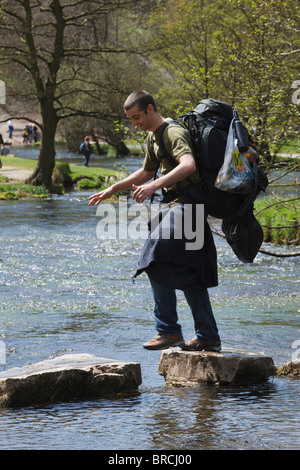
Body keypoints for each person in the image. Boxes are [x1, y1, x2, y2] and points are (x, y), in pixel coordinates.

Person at [88, 90, 221, 352]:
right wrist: (114, 189)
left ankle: (168, 331)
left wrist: (153, 187)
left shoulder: (172, 132)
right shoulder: (153, 136)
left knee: (153, 257)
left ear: (150, 109)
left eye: (136, 117)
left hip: (188, 206)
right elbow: (147, 171)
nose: (134, 123)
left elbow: (189, 165)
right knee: (192, 273)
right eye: (130, 119)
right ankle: (208, 337)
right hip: (177, 206)